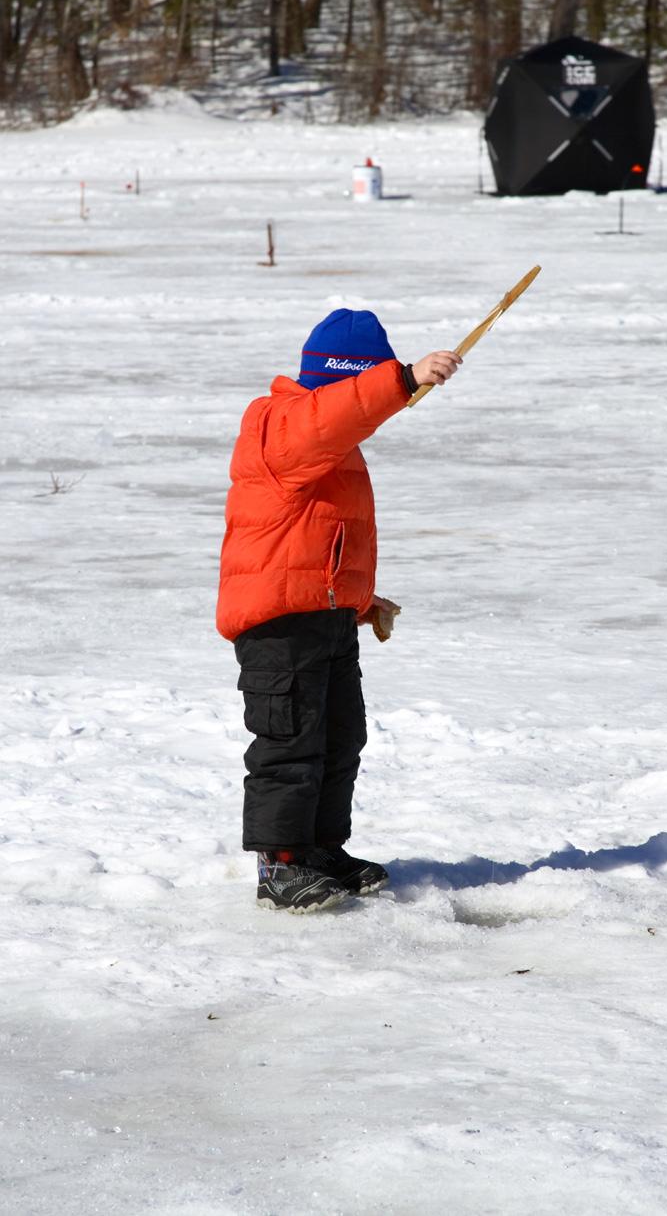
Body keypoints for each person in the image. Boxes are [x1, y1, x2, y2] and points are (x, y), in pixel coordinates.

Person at [217, 309, 461, 913]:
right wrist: (402, 378)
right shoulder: (280, 424)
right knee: (290, 743)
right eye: (369, 386)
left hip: (323, 619)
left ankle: (319, 850)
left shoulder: (333, 442)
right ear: (347, 379)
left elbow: (319, 539)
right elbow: (331, 417)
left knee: (339, 737)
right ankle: (281, 865)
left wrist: (356, 600)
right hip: (279, 627)